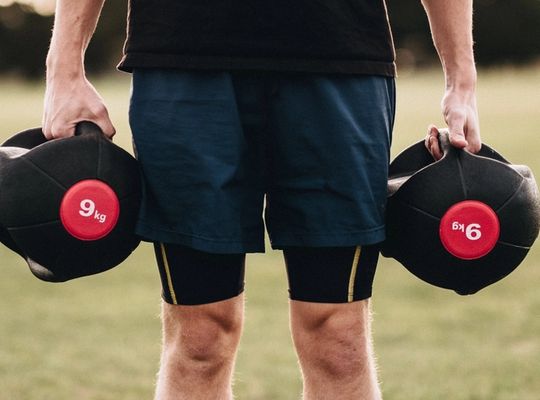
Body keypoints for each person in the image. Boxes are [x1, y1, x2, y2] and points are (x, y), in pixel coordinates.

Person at [43, 1, 481, 399]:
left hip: (341, 59)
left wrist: (461, 80)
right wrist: (64, 68)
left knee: (339, 338)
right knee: (200, 339)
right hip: (183, 59)